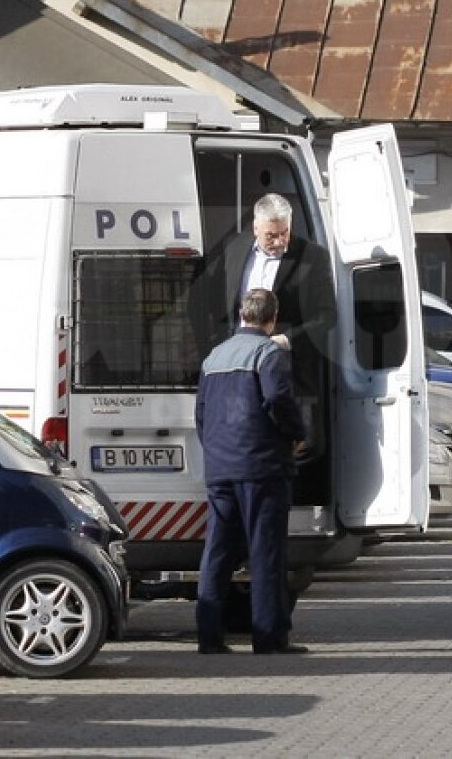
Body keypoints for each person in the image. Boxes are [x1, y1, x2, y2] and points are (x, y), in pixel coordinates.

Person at [195, 288, 309, 655]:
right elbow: (277, 398)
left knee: (217, 552)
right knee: (265, 552)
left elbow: (201, 413)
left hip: (220, 467)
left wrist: (215, 449)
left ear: (242, 315)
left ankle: (209, 637)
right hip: (261, 467)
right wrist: (296, 434)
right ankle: (269, 637)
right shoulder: (268, 353)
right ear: (272, 319)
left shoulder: (214, 356)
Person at [219, 193, 335, 406]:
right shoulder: (233, 248)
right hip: (240, 370)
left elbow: (327, 316)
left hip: (289, 376)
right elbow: (218, 304)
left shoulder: (313, 257)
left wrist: (287, 340)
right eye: (271, 235)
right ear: (255, 228)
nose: (280, 241)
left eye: (285, 233)